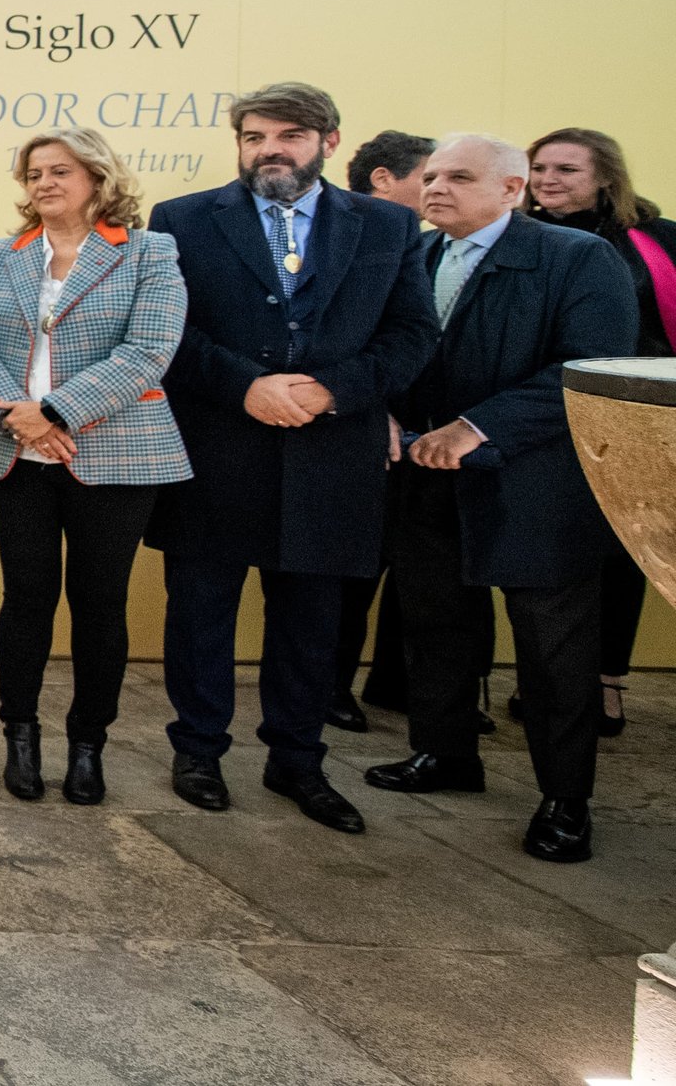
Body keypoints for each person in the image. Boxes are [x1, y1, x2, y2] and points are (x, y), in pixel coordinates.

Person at [145, 82, 437, 834]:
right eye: (254, 135)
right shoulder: (181, 220)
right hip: (218, 446)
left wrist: (331, 391)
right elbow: (166, 334)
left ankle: (297, 760)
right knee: (202, 611)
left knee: (312, 619)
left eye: (290, 135)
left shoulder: (388, 227)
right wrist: (248, 386)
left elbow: (411, 337)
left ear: (330, 141)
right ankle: (199, 750)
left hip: (332, 453)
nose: (269, 148)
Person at [364, 134, 637, 863]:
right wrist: (384, 412)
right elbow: (388, 353)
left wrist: (476, 426)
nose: (436, 188)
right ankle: (445, 754)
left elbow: (591, 368)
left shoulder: (578, 259)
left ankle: (565, 800)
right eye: (432, 177)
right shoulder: (415, 257)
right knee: (436, 627)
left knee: (554, 655)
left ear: (513, 188)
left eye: (459, 176)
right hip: (427, 481)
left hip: (537, 490)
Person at [0, 128, 190, 805]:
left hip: (111, 455)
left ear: (98, 177)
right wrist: (14, 411)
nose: (44, 183)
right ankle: (19, 736)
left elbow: (148, 350)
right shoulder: (0, 255)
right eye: (33, 173)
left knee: (98, 604)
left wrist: (53, 410)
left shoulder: (149, 252)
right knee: (25, 599)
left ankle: (89, 745)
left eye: (60, 170)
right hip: (13, 455)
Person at [526, 126, 676, 737]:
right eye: (539, 168)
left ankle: (607, 684)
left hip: (633, 425)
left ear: (606, 177)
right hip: (541, 421)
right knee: (544, 563)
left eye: (566, 169)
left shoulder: (659, 240)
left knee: (621, 555)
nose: (548, 180)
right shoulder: (517, 238)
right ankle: (545, 688)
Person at [329, 129, 440, 730]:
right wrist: (371, 408)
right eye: (432, 176)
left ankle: (410, 688)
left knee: (428, 579)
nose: (439, 189)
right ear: (382, 178)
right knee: (348, 571)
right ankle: (330, 685)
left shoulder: (424, 244)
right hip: (356, 429)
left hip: (444, 441)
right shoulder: (336, 239)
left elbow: (413, 334)